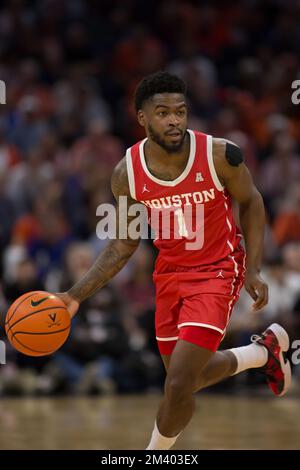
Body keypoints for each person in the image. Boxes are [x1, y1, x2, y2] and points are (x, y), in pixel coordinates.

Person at [57, 71, 292, 450]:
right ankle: (262, 352)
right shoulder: (126, 174)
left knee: (178, 384)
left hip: (217, 269)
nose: (174, 120)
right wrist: (74, 296)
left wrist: (253, 268)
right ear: (142, 118)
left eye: (180, 112)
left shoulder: (219, 155)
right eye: (163, 112)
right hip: (169, 275)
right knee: (188, 380)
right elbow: (122, 245)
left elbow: (252, 201)